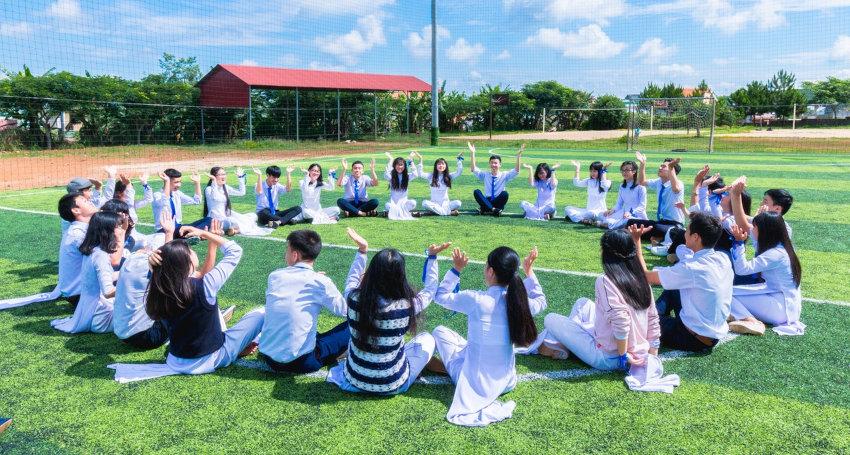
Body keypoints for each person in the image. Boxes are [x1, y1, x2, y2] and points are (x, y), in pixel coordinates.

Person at [428, 246, 547, 427]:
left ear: (491, 271)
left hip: (474, 384)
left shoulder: (477, 300)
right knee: (468, 345)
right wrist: (529, 272)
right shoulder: (520, 303)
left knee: (439, 331)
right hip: (507, 381)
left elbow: (439, 296)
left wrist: (456, 269)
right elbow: (541, 301)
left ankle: (448, 368)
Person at [326, 228, 451, 394]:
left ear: (371, 273)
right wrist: (432, 257)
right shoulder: (408, 306)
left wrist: (362, 251)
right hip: (393, 384)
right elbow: (430, 290)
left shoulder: (354, 299)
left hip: (354, 380)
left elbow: (352, 279)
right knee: (427, 339)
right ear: (400, 276)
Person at [144, 227, 264, 376]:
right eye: (191, 251)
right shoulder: (206, 284)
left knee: (209, 306)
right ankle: (250, 348)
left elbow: (168, 271)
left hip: (175, 360)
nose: (194, 252)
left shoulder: (159, 286)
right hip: (211, 358)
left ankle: (236, 345)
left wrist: (152, 263)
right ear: (186, 261)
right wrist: (205, 234)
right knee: (261, 314)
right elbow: (235, 251)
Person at [539, 230, 660, 372]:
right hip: (633, 351)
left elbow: (621, 321)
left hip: (608, 357)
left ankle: (563, 346)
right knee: (582, 303)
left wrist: (623, 356)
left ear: (607, 253)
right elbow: (653, 319)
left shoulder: (605, 280)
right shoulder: (642, 279)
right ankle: (565, 345)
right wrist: (652, 357)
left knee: (550, 318)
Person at [629, 211, 733, 352]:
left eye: (687, 230)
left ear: (696, 237)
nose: (684, 233)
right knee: (674, 287)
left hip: (693, 338)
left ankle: (650, 318)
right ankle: (655, 315)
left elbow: (646, 276)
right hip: (712, 334)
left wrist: (636, 240)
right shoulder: (723, 258)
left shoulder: (691, 268)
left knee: (638, 322)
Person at [258, 230, 349, 373]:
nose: (285, 254)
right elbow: (346, 311)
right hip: (302, 362)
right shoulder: (321, 282)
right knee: (353, 324)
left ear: (295, 255)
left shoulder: (274, 276)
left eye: (286, 250)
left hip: (269, 358)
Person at [728, 212, 805, 336]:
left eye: (754, 227)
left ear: (765, 231)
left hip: (780, 309)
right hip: (785, 305)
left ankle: (751, 321)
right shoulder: (782, 246)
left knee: (724, 293)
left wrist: (738, 243)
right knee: (730, 291)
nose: (751, 229)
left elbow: (742, 269)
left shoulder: (775, 254)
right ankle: (736, 314)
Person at [51, 211, 128, 334]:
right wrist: (130, 286)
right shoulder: (100, 256)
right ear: (108, 231)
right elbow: (108, 292)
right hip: (101, 318)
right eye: (118, 226)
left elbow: (101, 278)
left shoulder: (93, 250)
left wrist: (129, 273)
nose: (121, 229)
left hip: (90, 311)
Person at [626, 153, 685, 241]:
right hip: (662, 222)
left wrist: (671, 167)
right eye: (661, 166)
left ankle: (639, 234)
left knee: (657, 228)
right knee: (631, 222)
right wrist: (642, 164)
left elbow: (676, 189)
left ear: (672, 171)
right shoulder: (658, 182)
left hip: (675, 225)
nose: (660, 168)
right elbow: (641, 182)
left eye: (664, 166)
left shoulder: (678, 183)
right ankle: (654, 237)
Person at [56, 192, 98, 308]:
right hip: (81, 295)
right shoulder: (78, 235)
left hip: (78, 292)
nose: (90, 202)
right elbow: (107, 261)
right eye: (85, 201)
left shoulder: (80, 229)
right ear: (76, 210)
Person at [204, 166, 271, 236]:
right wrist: (214, 182)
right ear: (213, 177)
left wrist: (241, 178)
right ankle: (234, 230)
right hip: (216, 220)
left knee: (252, 216)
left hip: (227, 215)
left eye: (224, 174)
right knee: (233, 221)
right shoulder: (209, 189)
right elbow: (216, 198)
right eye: (220, 175)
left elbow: (241, 192)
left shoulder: (225, 187)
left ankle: (234, 231)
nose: (223, 176)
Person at [469, 142, 522, 217]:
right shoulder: (485, 174)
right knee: (476, 192)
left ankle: (485, 208)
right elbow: (473, 169)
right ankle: (493, 210)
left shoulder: (504, 175)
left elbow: (516, 170)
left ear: (500, 165)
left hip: (498, 202)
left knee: (505, 194)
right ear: (489, 164)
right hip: (488, 200)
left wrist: (518, 156)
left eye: (495, 163)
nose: (493, 165)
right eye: (492, 163)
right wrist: (472, 153)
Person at [151, 168, 204, 233]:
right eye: (176, 182)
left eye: (180, 182)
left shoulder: (177, 193)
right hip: (164, 229)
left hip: (178, 227)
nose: (179, 185)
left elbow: (197, 201)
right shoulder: (157, 195)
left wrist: (197, 183)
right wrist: (167, 181)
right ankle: (190, 236)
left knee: (208, 220)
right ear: (166, 181)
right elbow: (165, 200)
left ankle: (191, 235)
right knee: (191, 231)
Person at [599, 160, 648, 229]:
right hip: (624, 213)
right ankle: (612, 225)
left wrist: (630, 212)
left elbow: (642, 206)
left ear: (634, 171)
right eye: (623, 170)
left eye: (627, 170)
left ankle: (605, 225)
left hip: (636, 215)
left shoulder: (641, 187)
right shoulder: (622, 186)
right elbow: (619, 204)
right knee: (602, 215)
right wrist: (612, 210)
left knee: (628, 221)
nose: (624, 172)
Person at [417, 152, 464, 216]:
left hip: (446, 204)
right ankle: (448, 213)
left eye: (443, 164)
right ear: (436, 166)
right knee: (424, 203)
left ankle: (438, 212)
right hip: (434, 204)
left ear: (445, 166)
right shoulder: (431, 176)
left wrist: (459, 161)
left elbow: (459, 172)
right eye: (439, 164)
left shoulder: (449, 176)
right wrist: (420, 159)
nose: (441, 166)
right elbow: (420, 174)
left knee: (458, 203)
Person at [383, 152, 419, 220]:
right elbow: (386, 174)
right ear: (394, 166)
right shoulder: (391, 177)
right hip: (393, 204)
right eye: (397, 165)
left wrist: (411, 160)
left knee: (413, 203)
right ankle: (401, 212)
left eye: (401, 165)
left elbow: (415, 174)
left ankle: (396, 212)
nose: (399, 167)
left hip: (404, 203)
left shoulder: (407, 176)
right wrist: (391, 160)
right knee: (387, 205)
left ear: (404, 166)